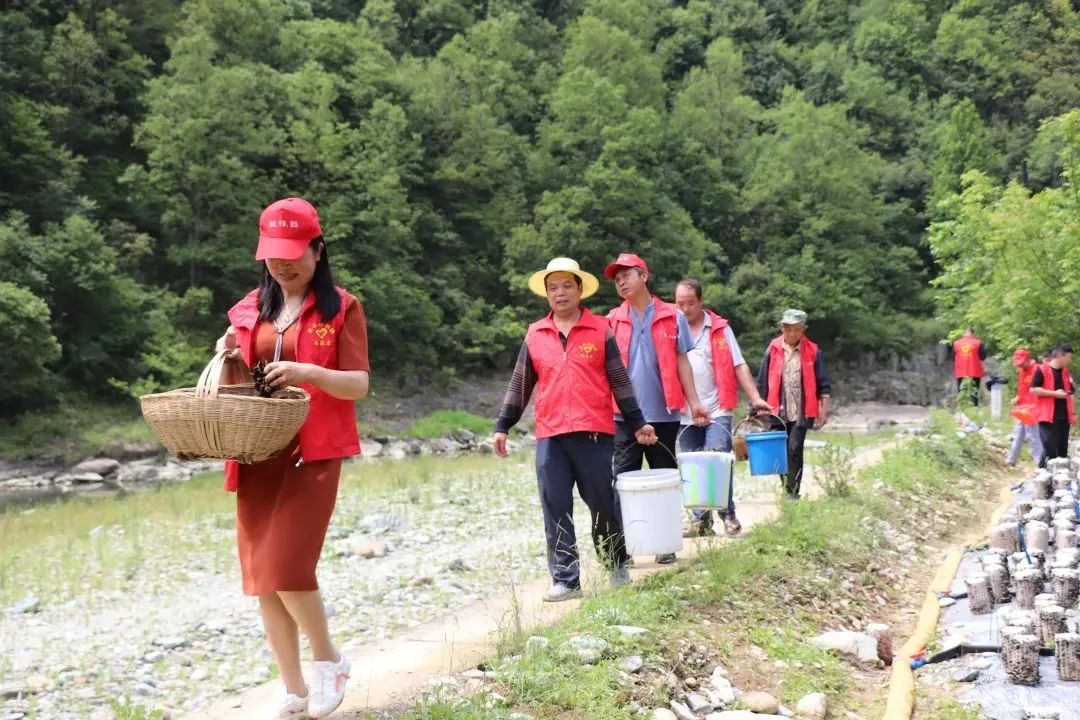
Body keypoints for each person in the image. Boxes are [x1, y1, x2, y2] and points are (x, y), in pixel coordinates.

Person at [215, 198, 370, 719]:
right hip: (257, 448)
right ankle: (294, 689)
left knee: (287, 565)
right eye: (273, 254)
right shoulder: (249, 310)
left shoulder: (340, 308)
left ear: (318, 249)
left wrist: (308, 373)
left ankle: (330, 660)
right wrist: (233, 356)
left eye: (293, 253)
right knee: (262, 575)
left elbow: (358, 384)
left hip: (315, 447)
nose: (282, 264)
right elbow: (237, 377)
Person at [493, 258, 657, 602]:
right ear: (547, 294)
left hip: (594, 432)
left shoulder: (600, 329)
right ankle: (566, 579)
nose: (560, 293)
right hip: (551, 434)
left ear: (580, 290)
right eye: (553, 287)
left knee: (602, 503)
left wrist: (638, 420)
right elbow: (521, 383)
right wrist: (503, 425)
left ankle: (616, 564)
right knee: (555, 505)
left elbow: (619, 380)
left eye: (567, 285)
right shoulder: (536, 333)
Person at [605, 253, 710, 565]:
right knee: (623, 479)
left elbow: (681, 362)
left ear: (644, 275)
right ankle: (623, 550)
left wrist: (694, 402)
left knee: (664, 476)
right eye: (616, 278)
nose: (621, 281)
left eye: (626, 275)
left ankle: (664, 543)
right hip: (624, 416)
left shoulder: (671, 315)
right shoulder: (611, 320)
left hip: (664, 412)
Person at [673, 279, 772, 537]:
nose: (684, 309)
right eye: (679, 303)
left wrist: (755, 397)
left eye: (690, 303)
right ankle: (700, 521)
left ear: (701, 301)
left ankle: (727, 514)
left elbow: (739, 365)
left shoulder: (719, 329)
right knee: (692, 466)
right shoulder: (670, 329)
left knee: (717, 460)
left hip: (717, 408)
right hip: (684, 412)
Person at [755, 309, 831, 499]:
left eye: (797, 329)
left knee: (794, 449)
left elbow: (823, 383)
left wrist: (823, 411)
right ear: (782, 328)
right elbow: (762, 381)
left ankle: (793, 493)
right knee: (780, 451)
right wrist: (754, 408)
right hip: (777, 410)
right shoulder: (773, 349)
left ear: (803, 329)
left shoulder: (813, 351)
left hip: (802, 411)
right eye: (789, 329)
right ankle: (786, 487)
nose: (793, 334)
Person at [1031, 344, 1075, 469]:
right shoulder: (1042, 370)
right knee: (1049, 446)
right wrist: (1054, 394)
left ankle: (1057, 480)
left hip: (1064, 416)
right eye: (1069, 357)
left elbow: (1071, 393)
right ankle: (1044, 476)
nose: (1070, 360)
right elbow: (1034, 389)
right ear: (1061, 356)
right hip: (1047, 416)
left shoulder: (1066, 372)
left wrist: (1073, 413)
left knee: (1062, 450)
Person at [1006, 348, 1044, 467]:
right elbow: (1024, 388)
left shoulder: (1037, 369)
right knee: (1017, 433)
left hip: (1033, 408)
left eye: (1021, 362)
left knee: (1033, 436)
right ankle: (1011, 459)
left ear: (1027, 359)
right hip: (1022, 407)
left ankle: (1040, 463)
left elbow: (1039, 389)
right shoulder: (1023, 370)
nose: (1019, 365)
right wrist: (1018, 397)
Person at [953, 328, 987, 406]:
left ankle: (962, 411)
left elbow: (953, 357)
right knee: (974, 393)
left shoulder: (956, 343)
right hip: (974, 371)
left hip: (961, 372)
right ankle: (974, 411)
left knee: (961, 392)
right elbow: (983, 357)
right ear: (972, 333)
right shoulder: (978, 343)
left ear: (963, 333)